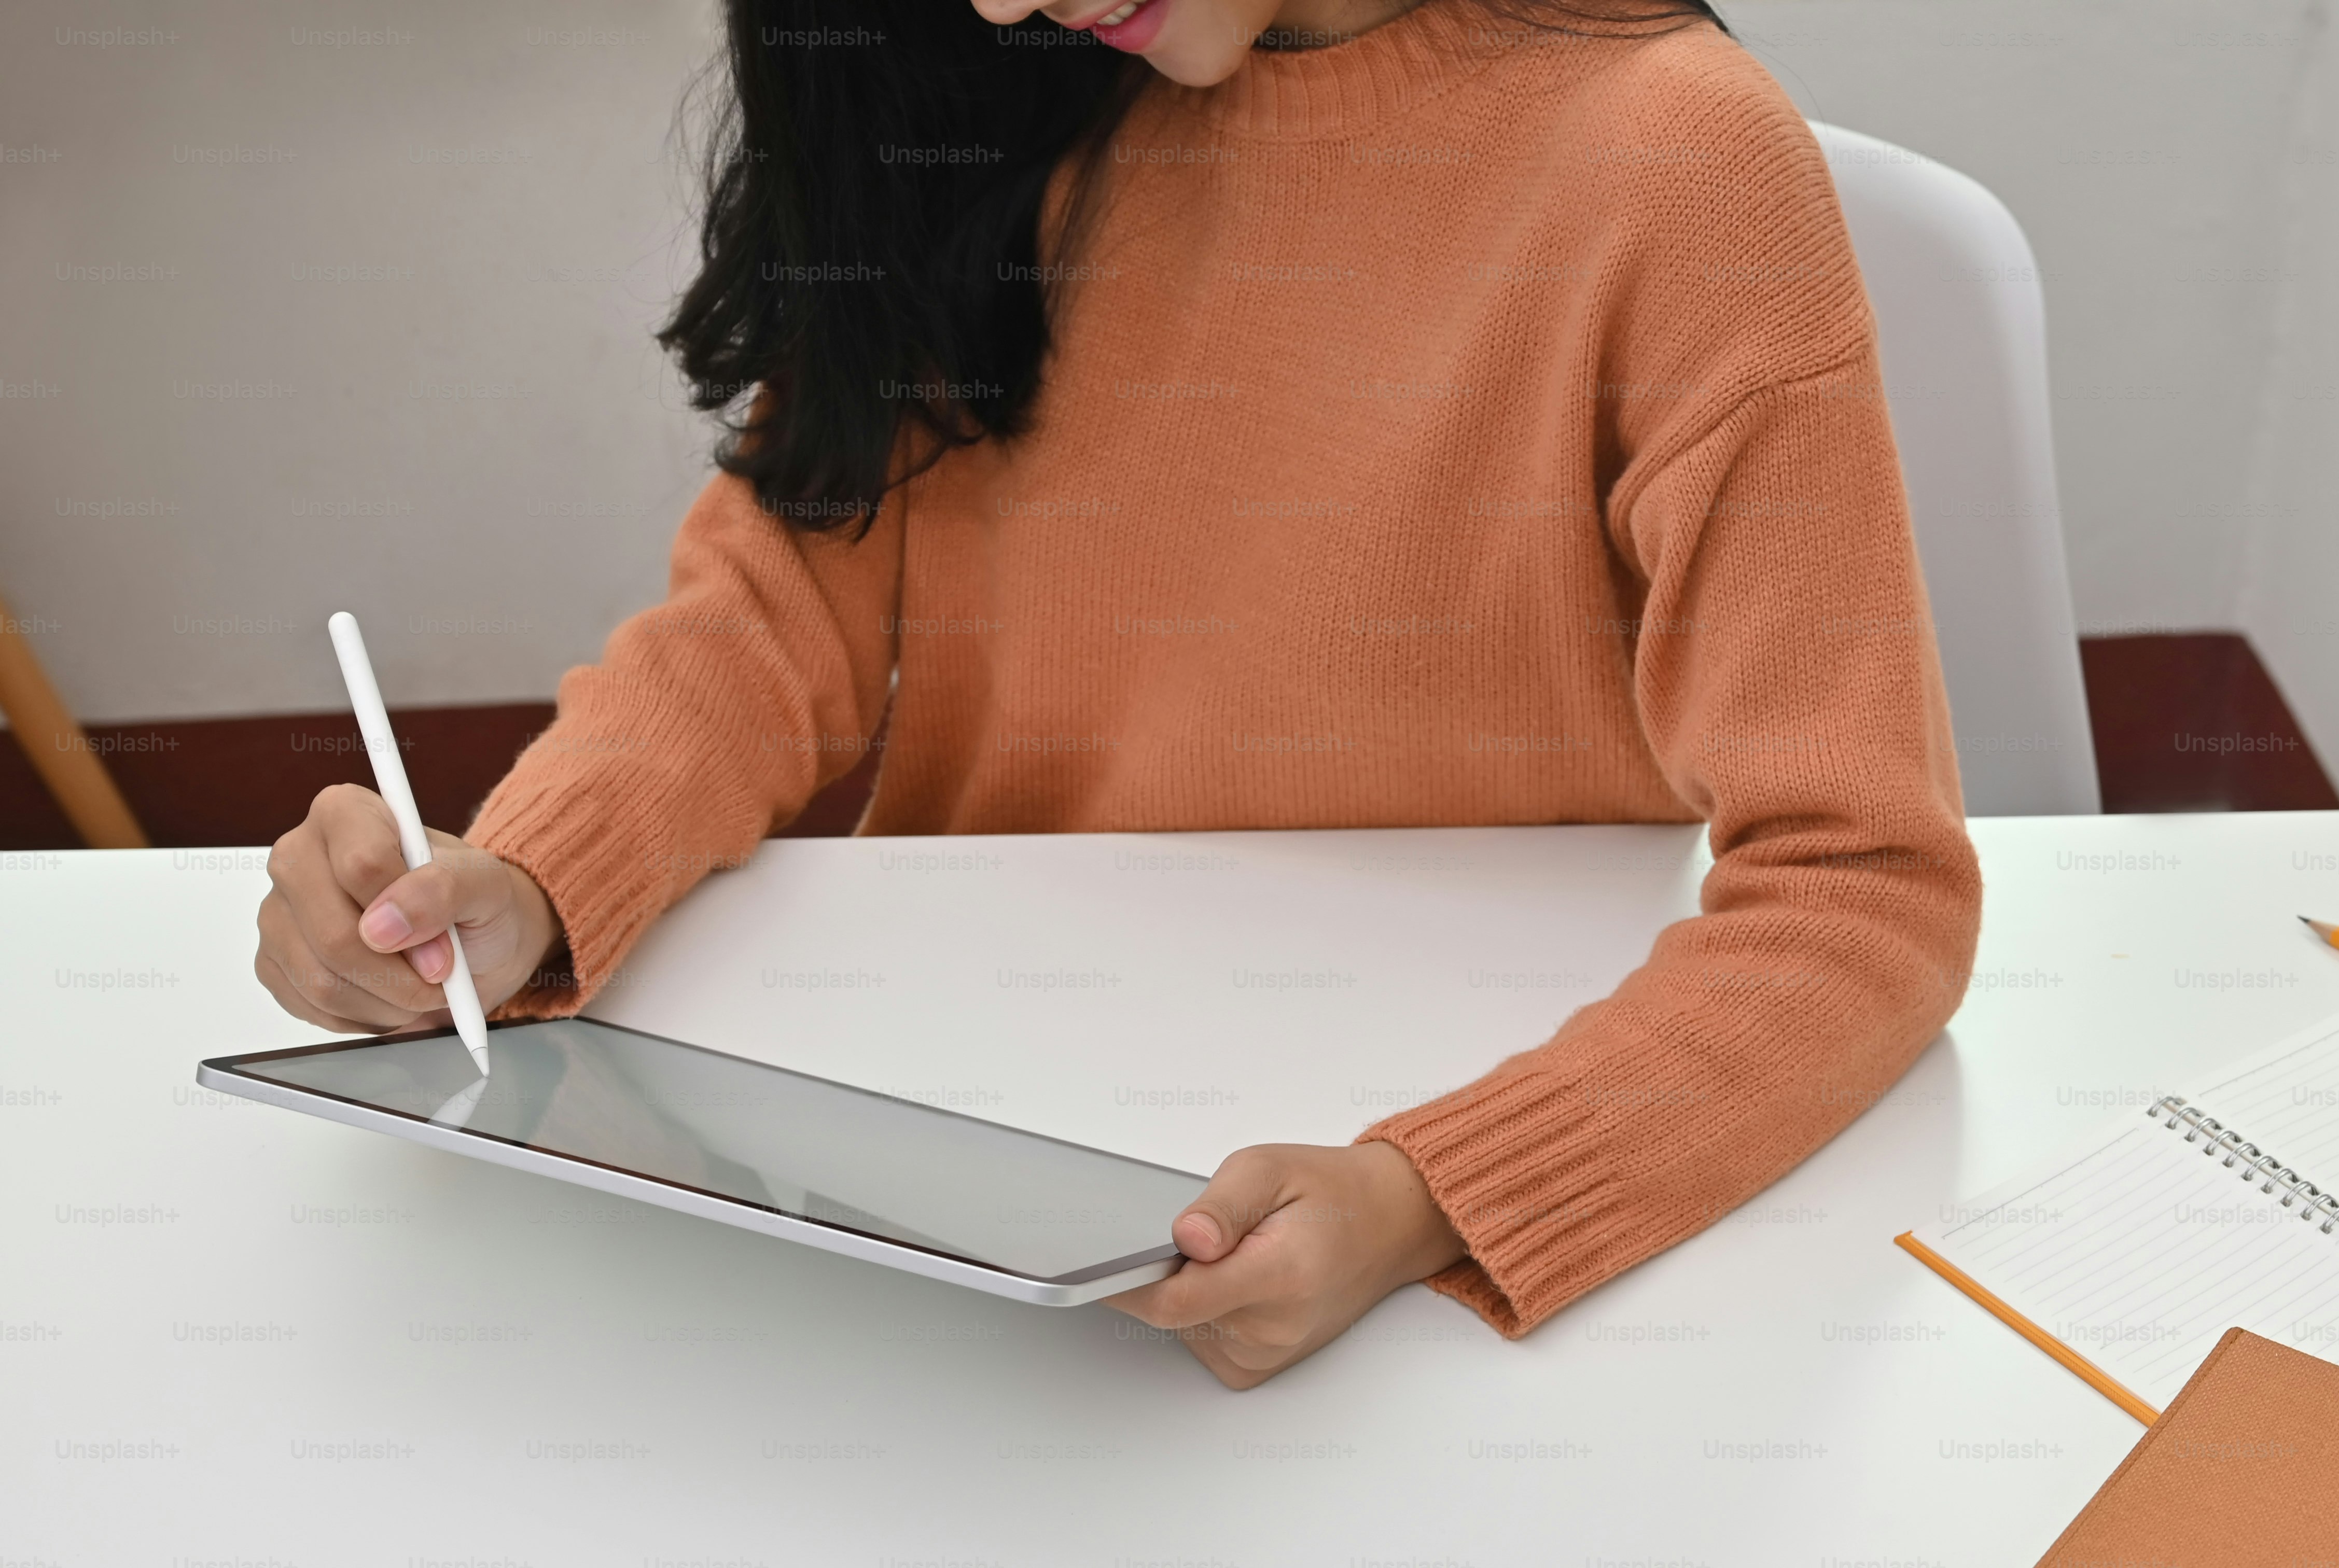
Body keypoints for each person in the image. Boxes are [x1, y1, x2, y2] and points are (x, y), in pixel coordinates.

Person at [252, 0, 1981, 1387]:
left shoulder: (1676, 165)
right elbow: (773, 608)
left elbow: (1861, 893)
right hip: (960, 1160)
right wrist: (528, 886)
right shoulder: (1000, 95)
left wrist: (1432, 1202)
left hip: (1442, 1210)